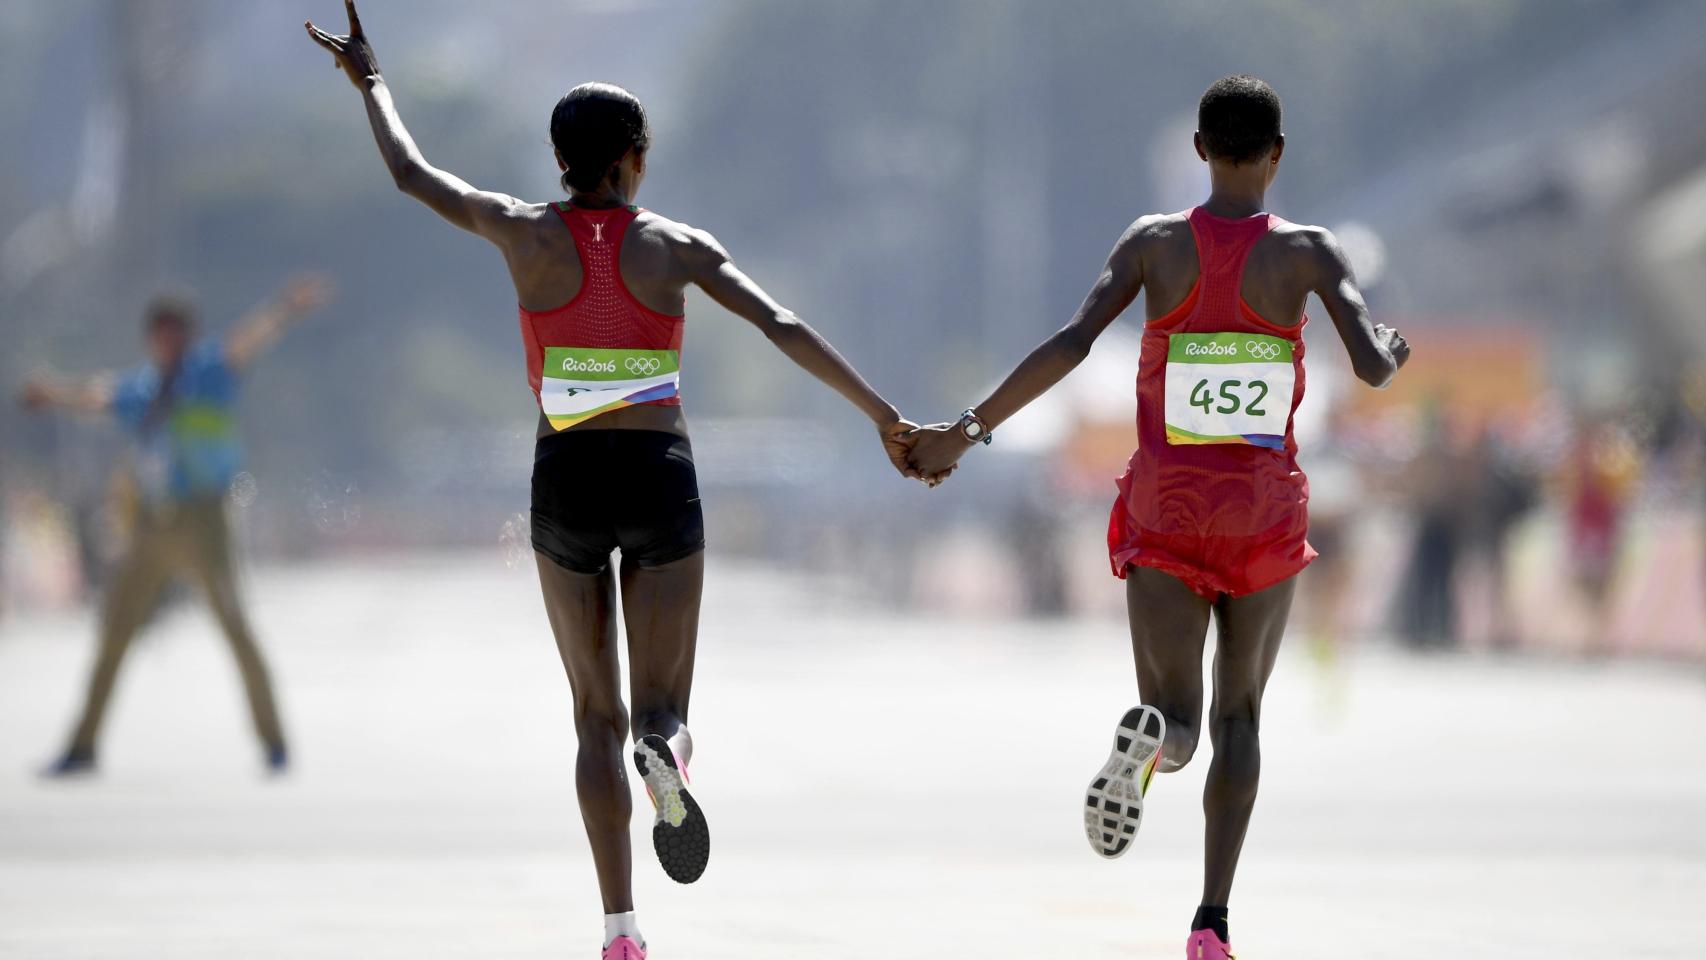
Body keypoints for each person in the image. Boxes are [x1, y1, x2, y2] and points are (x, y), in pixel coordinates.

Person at [304, 4, 922, 957]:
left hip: (566, 477)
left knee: (592, 715)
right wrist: (886, 417)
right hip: (658, 470)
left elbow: (410, 175)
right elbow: (783, 325)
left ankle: (621, 931)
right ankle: (666, 750)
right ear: (634, 157)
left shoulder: (521, 231)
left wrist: (372, 81)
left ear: (560, 159)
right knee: (659, 708)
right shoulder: (674, 246)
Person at [907, 75, 1409, 958]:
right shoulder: (1311, 253)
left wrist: (967, 429)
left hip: (1167, 503)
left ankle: (1154, 746)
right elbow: (1370, 367)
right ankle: (1211, 922)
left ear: (1199, 151)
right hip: (1260, 512)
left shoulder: (1153, 245)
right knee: (1241, 717)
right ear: (1278, 155)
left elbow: (1071, 343)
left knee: (1173, 708)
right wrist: (1391, 348)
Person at [20, 274, 332, 778]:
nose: (167, 341)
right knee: (114, 631)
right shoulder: (142, 389)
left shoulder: (209, 372)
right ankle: (83, 745)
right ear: (151, 338)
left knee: (234, 626)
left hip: (205, 518)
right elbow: (98, 396)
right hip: (152, 525)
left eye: (175, 332)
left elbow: (247, 339)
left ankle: (274, 742)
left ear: (187, 334)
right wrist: (52, 394)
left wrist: (286, 307)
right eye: (160, 333)